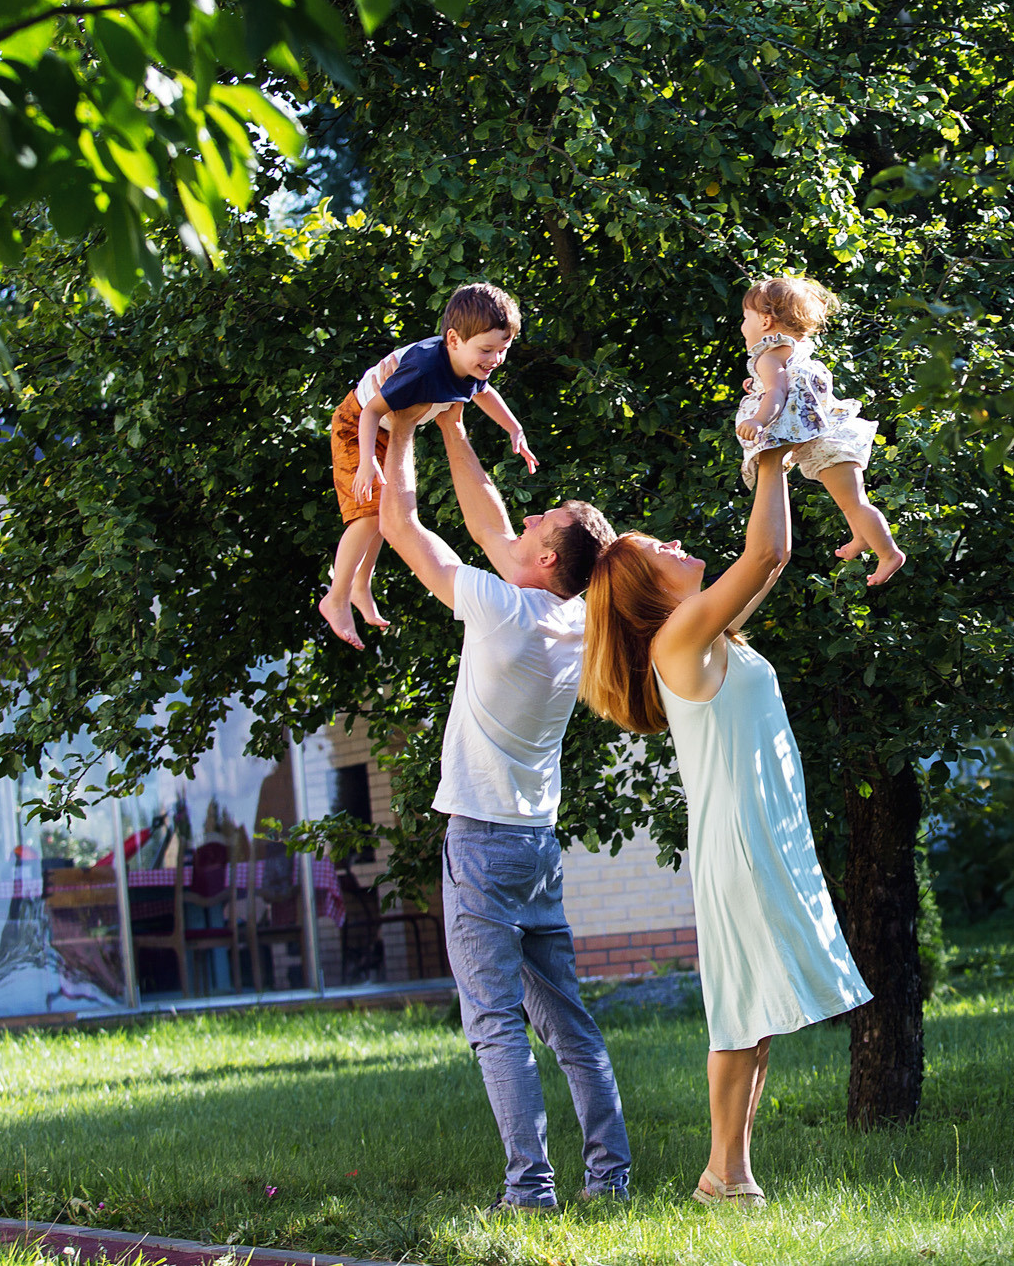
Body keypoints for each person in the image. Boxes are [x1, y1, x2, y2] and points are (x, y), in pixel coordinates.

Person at [577, 445, 874, 1208]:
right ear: (648, 589)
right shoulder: (677, 641)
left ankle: (729, 1173)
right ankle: (723, 1174)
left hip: (759, 834)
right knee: (742, 1010)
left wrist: (776, 448)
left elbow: (769, 564)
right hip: (741, 845)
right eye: (660, 551)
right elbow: (766, 548)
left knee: (756, 1012)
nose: (676, 546)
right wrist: (769, 449)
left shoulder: (704, 636)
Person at [373, 403, 625, 1213]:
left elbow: (403, 524)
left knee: (495, 1024)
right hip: (537, 846)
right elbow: (486, 519)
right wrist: (453, 423)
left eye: (538, 519)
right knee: (569, 1024)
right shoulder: (575, 618)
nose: (524, 516)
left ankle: (530, 1191)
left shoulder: (503, 609)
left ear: (546, 555)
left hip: (483, 846)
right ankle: (610, 1179)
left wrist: (402, 427)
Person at [322, 282, 536, 648]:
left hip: (388, 428)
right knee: (370, 515)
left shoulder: (471, 366)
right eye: (487, 350)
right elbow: (372, 410)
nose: (495, 359)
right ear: (453, 340)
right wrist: (367, 460)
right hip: (357, 424)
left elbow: (485, 394)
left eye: (503, 350)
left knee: (380, 514)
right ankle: (336, 597)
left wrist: (515, 430)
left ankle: (360, 585)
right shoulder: (423, 369)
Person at [732, 275, 903, 584]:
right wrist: (756, 385)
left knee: (856, 503)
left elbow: (777, 394)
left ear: (766, 321)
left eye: (746, 318)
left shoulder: (768, 358)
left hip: (829, 445)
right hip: (836, 438)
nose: (743, 326)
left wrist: (757, 419)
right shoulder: (795, 350)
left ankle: (889, 553)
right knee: (851, 502)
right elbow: (786, 385)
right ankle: (861, 538)